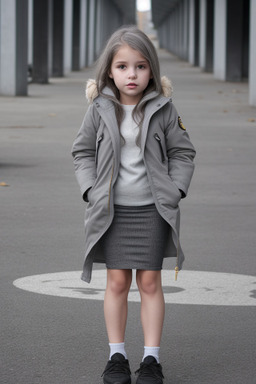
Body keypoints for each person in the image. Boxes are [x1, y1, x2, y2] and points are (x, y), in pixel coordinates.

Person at [72, 25, 196, 384]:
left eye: (141, 66)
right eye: (123, 66)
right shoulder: (99, 109)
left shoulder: (165, 108)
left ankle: (152, 360)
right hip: (110, 210)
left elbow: (183, 152)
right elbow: (82, 151)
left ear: (152, 71)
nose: (132, 74)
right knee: (116, 282)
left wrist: (175, 190)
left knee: (151, 282)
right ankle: (116, 356)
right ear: (110, 70)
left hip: (153, 210)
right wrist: (91, 189)